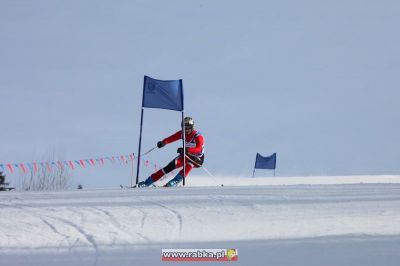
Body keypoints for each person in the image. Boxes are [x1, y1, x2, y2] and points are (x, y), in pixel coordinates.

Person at [138, 117, 205, 187]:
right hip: (186, 154)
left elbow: (199, 149)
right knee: (169, 167)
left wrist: (187, 149)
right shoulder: (182, 133)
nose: (187, 130)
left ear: (192, 127)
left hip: (197, 158)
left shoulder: (198, 136)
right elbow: (172, 138)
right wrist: (163, 142)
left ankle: (173, 182)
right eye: (185, 128)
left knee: (189, 165)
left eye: (188, 128)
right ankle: (147, 183)